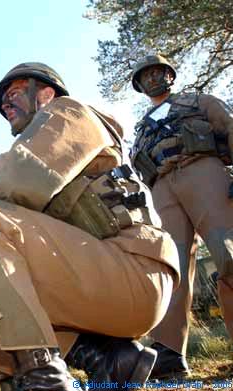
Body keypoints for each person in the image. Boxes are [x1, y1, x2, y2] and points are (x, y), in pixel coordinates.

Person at [0, 62, 180, 390]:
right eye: (5, 99)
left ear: (46, 94)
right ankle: (106, 358)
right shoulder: (38, 147)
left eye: (15, 93)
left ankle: (44, 379)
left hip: (132, 271)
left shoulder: (69, 112)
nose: (6, 104)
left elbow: (17, 181)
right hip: (94, 280)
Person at [129, 54, 233, 379]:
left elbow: (230, 126)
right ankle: (170, 352)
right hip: (162, 189)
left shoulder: (198, 101)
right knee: (171, 270)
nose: (152, 78)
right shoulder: (142, 126)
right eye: (145, 76)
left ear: (170, 76)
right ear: (139, 85)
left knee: (227, 252)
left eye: (158, 72)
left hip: (203, 172)